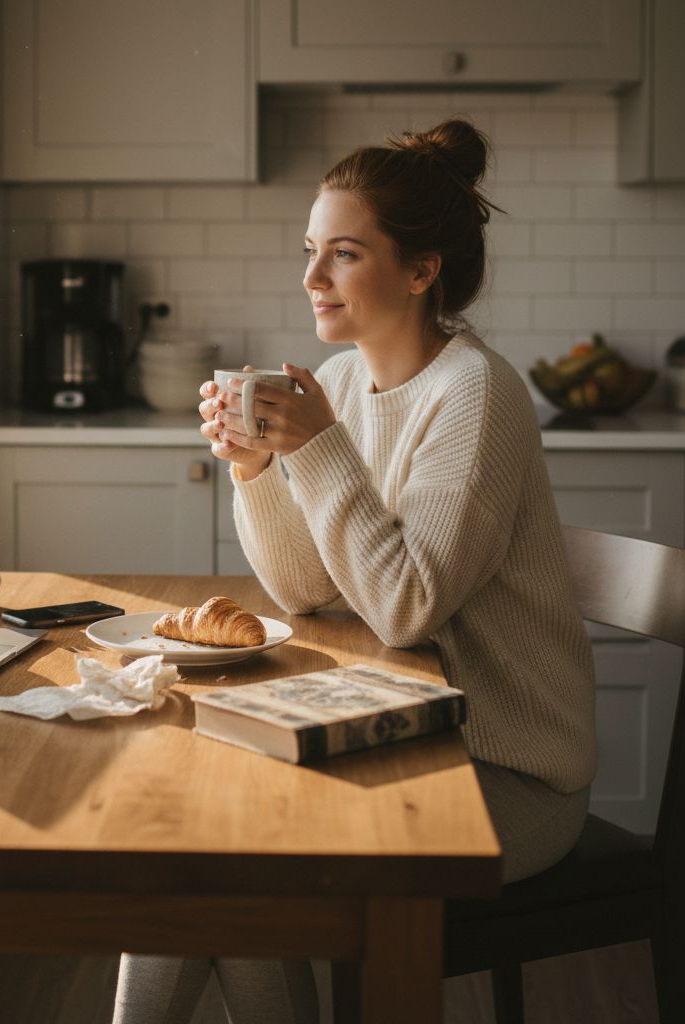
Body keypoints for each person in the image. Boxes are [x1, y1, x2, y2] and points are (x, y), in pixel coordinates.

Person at [110, 118, 596, 1024]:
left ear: (422, 270)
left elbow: (405, 608)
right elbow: (308, 591)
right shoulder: (340, 382)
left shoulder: (475, 394)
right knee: (200, 849)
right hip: (405, 726)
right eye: (309, 251)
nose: (311, 278)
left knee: (239, 881)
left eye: (342, 254)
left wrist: (321, 448)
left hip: (504, 768)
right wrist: (257, 470)